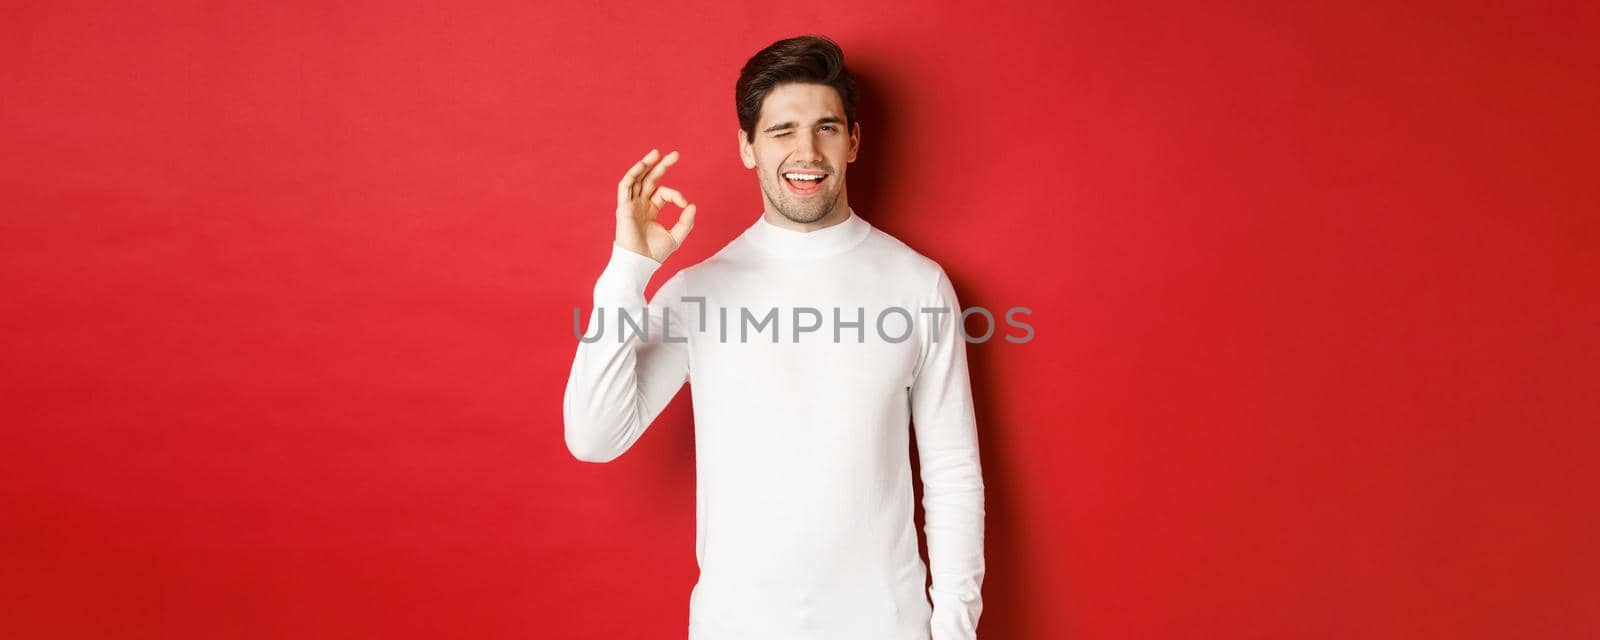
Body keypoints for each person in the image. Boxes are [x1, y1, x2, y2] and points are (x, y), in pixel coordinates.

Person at [563, 34, 985, 640]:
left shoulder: (917, 284)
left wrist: (954, 632)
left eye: (826, 128)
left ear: (854, 141)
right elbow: (594, 436)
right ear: (747, 147)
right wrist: (628, 270)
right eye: (782, 131)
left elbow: (952, 473)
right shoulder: (698, 291)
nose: (806, 151)